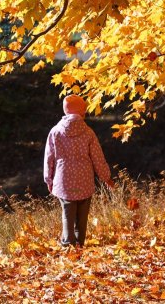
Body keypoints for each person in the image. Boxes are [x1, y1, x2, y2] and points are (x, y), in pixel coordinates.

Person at [44, 94, 114, 247]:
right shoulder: (88, 133)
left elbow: (49, 158)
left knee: (67, 214)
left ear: (65, 111)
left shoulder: (55, 132)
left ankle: (68, 245)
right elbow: (98, 158)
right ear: (83, 112)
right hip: (84, 182)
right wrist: (106, 177)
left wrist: (48, 179)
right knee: (82, 217)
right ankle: (79, 245)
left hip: (64, 181)